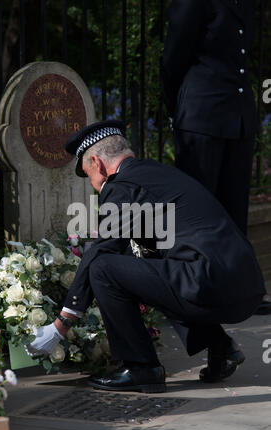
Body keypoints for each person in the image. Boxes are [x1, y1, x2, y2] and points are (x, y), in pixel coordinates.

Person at [26, 120, 265, 393]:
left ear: (98, 163)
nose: (93, 186)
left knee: (103, 267)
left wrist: (60, 326)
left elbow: (102, 252)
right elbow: (144, 255)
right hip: (246, 287)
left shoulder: (122, 185)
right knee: (146, 260)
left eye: (88, 174)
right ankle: (221, 347)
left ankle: (140, 367)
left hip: (210, 284)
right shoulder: (156, 173)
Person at [161, 0, 270, 314]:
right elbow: (173, 57)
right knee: (197, 212)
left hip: (237, 120)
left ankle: (240, 293)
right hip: (201, 117)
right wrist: (178, 108)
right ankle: (191, 294)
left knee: (235, 212)